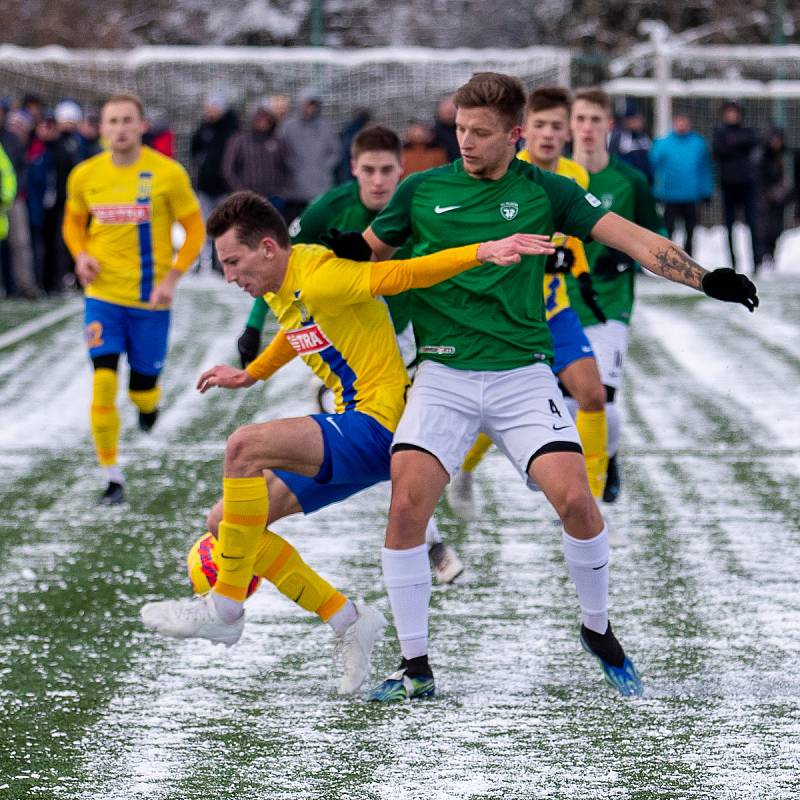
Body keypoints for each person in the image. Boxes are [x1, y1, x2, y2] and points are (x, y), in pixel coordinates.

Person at [356, 72, 757, 702]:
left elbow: (633, 239)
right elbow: (362, 257)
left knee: (577, 503)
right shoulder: (421, 189)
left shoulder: (547, 190)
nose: (464, 141)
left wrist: (707, 280)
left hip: (521, 376)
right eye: (460, 128)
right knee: (406, 508)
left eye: (480, 133)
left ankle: (597, 630)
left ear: (514, 137)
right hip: (442, 376)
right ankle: (415, 665)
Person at [138, 190, 551, 694]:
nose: (228, 276)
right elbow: (298, 331)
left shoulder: (323, 277)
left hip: (380, 426)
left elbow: (400, 275)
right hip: (359, 423)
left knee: (243, 447)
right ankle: (346, 619)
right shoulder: (283, 283)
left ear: (268, 248)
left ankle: (224, 608)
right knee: (225, 523)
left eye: (232, 262)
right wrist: (251, 375)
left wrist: (481, 250)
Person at [236, 124, 464, 585]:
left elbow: (428, 269)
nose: (378, 181)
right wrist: (253, 325)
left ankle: (434, 525)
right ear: (353, 170)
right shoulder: (330, 209)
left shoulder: (420, 208)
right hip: (340, 346)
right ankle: (432, 544)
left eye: (387, 171)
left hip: (408, 337)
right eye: (368, 171)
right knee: (384, 443)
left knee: (407, 444)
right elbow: (276, 261)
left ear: (401, 170)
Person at [448, 86, 611, 510]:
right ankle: (463, 469)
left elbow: (571, 238)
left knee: (593, 396)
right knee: (497, 411)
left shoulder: (576, 177)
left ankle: (592, 504)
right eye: (540, 125)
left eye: (558, 126)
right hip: (510, 314)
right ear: (522, 131)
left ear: (568, 131)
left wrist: (581, 272)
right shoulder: (504, 173)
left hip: (554, 311)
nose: (549, 134)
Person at [62, 93, 205, 504]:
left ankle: (148, 405)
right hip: (103, 298)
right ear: (102, 128)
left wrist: (173, 277)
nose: (120, 128)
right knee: (103, 382)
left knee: (143, 389)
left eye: (127, 120)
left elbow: (195, 230)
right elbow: (72, 223)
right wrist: (81, 255)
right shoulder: (85, 175)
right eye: (112, 121)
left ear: (141, 126)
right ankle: (112, 477)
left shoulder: (167, 174)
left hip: (151, 301)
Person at [567, 87, 667, 504]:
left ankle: (602, 469)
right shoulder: (553, 178)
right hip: (559, 304)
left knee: (601, 398)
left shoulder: (631, 181)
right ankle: (587, 468)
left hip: (610, 304)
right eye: (580, 119)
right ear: (570, 124)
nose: (587, 128)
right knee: (570, 405)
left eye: (595, 120)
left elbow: (656, 238)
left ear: (609, 126)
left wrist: (624, 260)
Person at [650, 113, 713, 257]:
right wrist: (655, 191)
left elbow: (705, 169)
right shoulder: (663, 143)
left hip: (691, 195)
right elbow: (653, 168)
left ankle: (688, 258)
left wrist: (706, 191)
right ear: (674, 122)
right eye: (679, 121)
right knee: (668, 229)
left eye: (684, 121)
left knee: (690, 230)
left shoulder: (698, 143)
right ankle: (667, 258)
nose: (682, 124)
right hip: (671, 196)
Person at [190, 94, 239, 272]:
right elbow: (194, 150)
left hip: (224, 188)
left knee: (224, 227)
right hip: (205, 186)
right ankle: (203, 261)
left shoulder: (232, 129)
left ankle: (222, 262)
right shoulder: (204, 128)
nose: (211, 111)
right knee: (204, 226)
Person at [278, 89, 340, 225]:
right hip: (294, 189)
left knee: (318, 224)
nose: (310, 108)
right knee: (294, 226)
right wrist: (292, 165)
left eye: (314, 105)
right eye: (307, 104)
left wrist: (324, 167)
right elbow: (280, 151)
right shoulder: (288, 127)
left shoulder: (326, 127)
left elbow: (335, 151)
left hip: (320, 186)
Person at [712, 101, 761, 272]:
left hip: (747, 186)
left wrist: (733, 144)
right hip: (728, 187)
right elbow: (719, 150)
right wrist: (737, 145)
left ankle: (757, 262)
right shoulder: (719, 133)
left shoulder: (748, 131)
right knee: (729, 226)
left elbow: (754, 141)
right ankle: (733, 263)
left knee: (753, 225)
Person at [222, 104, 288, 210]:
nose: (263, 121)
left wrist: (282, 191)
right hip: (247, 197)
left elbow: (286, 166)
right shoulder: (240, 140)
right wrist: (239, 190)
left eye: (266, 118)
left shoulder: (277, 141)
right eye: (260, 118)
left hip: (274, 197)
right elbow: (228, 168)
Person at [757, 126, 789, 273]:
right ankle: (764, 257)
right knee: (764, 229)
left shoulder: (786, 157)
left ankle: (771, 255)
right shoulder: (762, 157)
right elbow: (759, 178)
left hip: (780, 201)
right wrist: (767, 193)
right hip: (765, 200)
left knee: (777, 230)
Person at [609, 99, 653, 185]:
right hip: (627, 182)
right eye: (634, 119)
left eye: (638, 119)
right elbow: (614, 160)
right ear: (626, 121)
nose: (638, 122)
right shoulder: (618, 137)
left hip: (645, 183)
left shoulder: (644, 136)